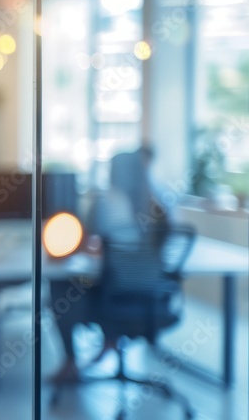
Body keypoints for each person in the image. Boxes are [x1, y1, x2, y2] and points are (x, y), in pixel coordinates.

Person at [50, 145, 171, 383]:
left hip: (110, 299)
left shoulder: (104, 201)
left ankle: (70, 361)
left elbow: (83, 243)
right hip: (153, 301)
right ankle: (111, 336)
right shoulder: (157, 204)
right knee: (105, 285)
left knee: (58, 288)